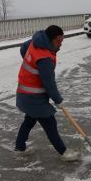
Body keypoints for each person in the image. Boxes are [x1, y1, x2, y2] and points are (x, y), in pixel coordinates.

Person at [15, 25, 80, 161]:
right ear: (50, 39)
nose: (60, 45)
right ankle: (64, 152)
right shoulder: (45, 59)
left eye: (62, 41)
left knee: (29, 120)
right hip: (34, 98)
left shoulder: (35, 42)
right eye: (58, 41)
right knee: (50, 123)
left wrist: (32, 64)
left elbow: (23, 49)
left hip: (24, 93)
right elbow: (49, 83)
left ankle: (19, 148)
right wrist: (58, 100)